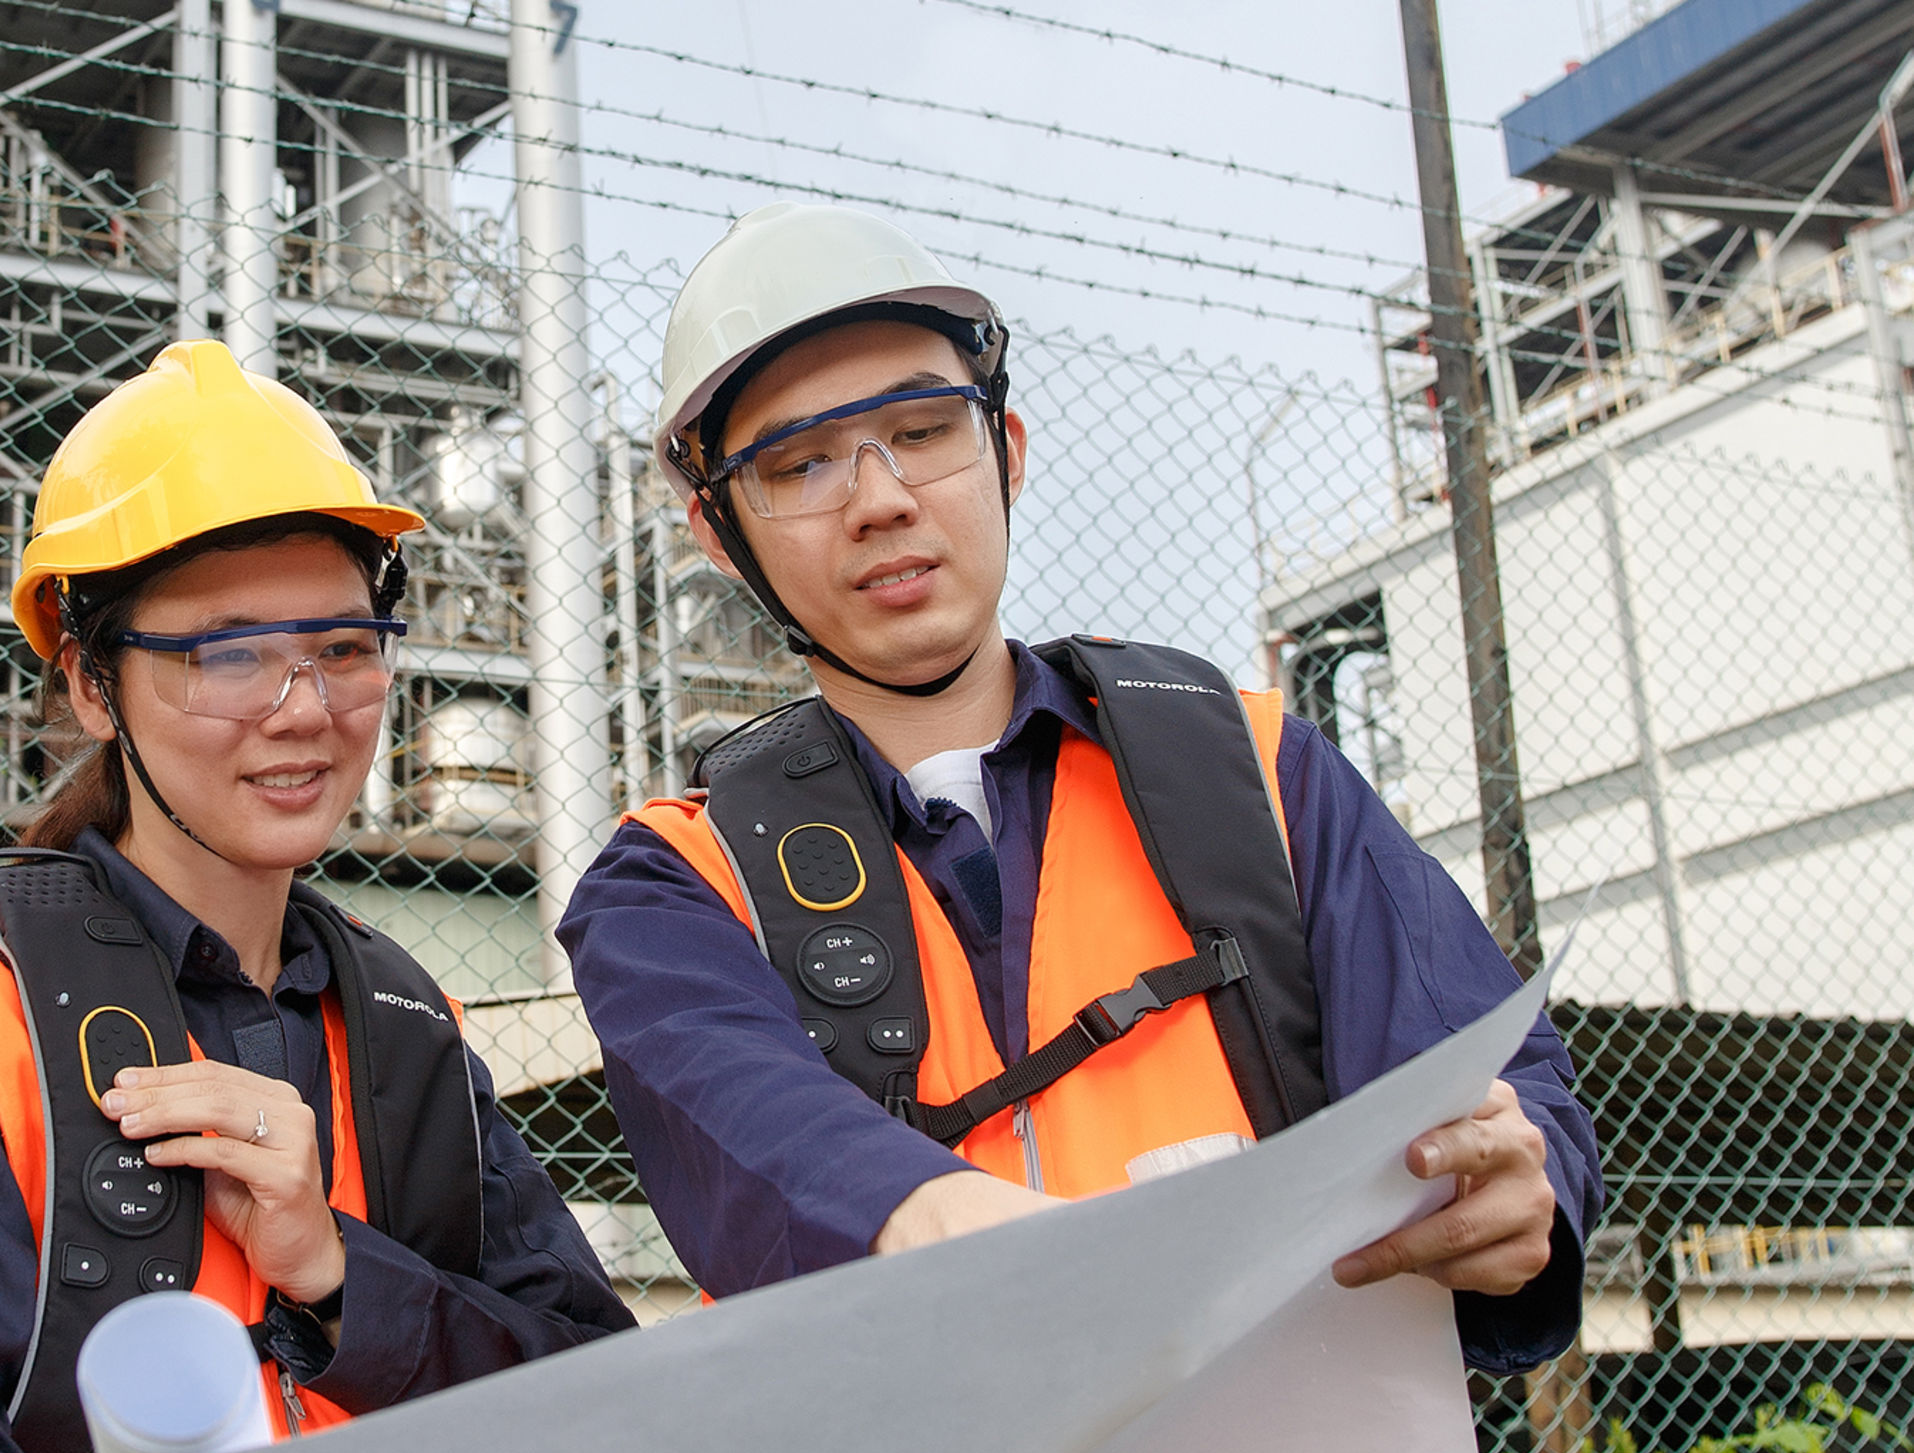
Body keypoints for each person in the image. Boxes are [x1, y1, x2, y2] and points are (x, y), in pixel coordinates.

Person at [557, 202, 1601, 1374]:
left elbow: (1489, 1075)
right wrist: (957, 1227)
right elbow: (747, 1128)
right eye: (797, 464)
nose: (880, 497)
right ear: (717, 530)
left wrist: (1526, 1183)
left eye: (922, 428)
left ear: (1006, 450)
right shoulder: (673, 891)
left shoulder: (1255, 771)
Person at [0, 340, 636, 1453]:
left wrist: (339, 1276)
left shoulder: (403, 1030)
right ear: (93, 684)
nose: (303, 711)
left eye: (343, 650)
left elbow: (592, 1401)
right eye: (226, 654)